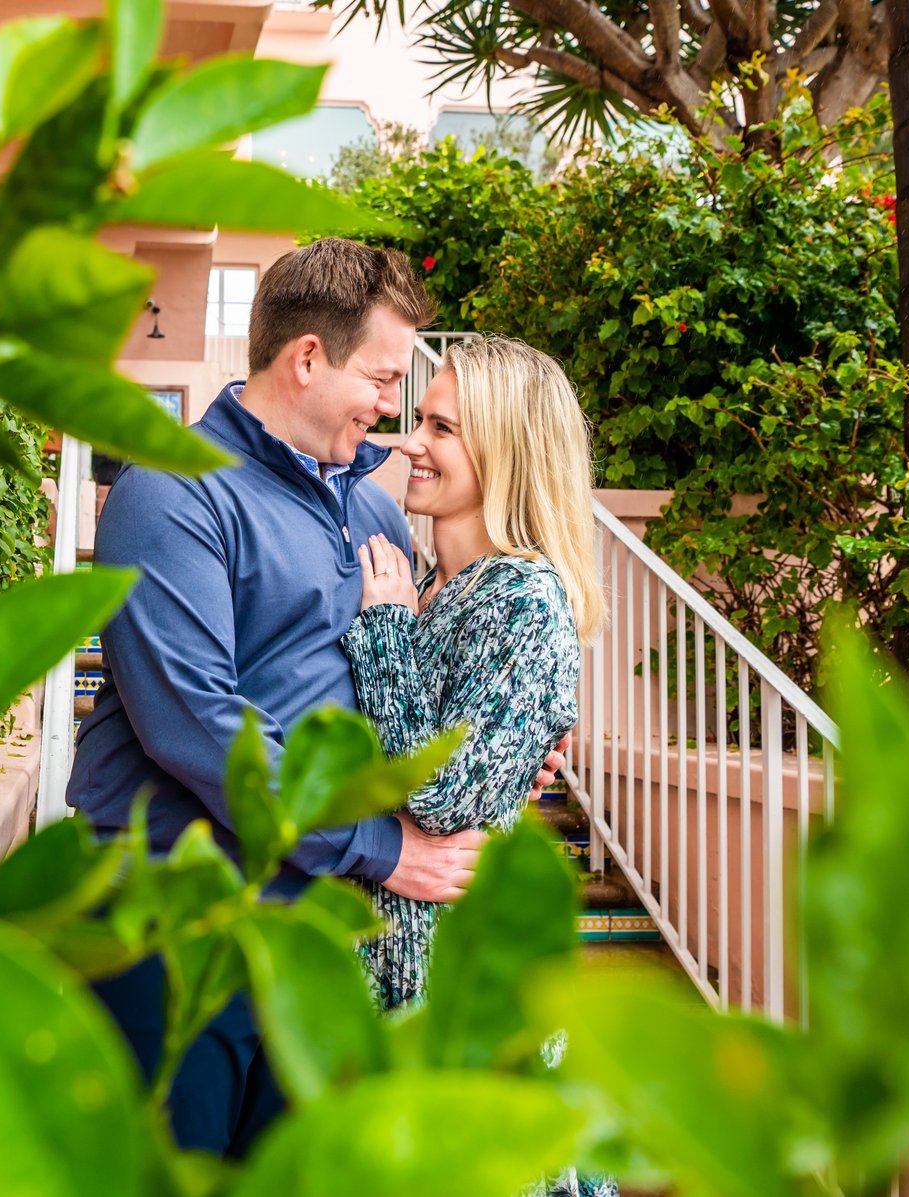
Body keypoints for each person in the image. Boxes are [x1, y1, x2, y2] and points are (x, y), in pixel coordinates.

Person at [67, 240, 564, 1156]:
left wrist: (503, 752)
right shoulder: (171, 493)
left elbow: (403, 687)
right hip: (175, 916)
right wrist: (384, 846)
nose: (391, 410)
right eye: (382, 378)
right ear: (306, 359)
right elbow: (195, 722)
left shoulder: (374, 512)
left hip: (326, 938)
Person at [343, 333, 608, 1196]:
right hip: (397, 959)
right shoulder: (431, 583)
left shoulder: (524, 597)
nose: (412, 441)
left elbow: (443, 792)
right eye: (418, 418)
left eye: (442, 427)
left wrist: (383, 627)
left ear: (506, 449)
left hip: (456, 977)